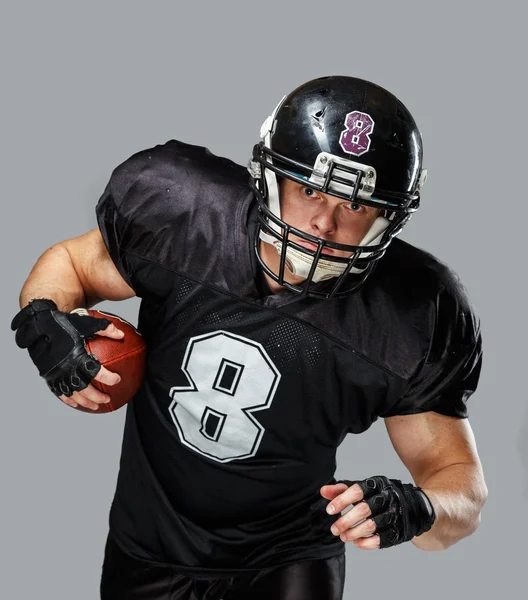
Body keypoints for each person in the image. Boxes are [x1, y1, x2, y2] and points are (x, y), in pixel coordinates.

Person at [11, 76, 487, 600]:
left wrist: (420, 510)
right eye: (309, 189)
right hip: (150, 544)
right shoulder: (186, 219)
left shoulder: (410, 313)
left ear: (387, 218)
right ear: (268, 177)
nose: (325, 223)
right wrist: (48, 322)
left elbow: (460, 487)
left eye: (355, 206)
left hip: (289, 559)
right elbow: (72, 263)